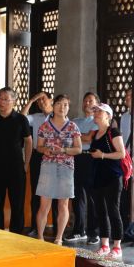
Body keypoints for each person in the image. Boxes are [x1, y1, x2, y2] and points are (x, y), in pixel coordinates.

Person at [0, 87, 32, 234]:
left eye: (5, 99)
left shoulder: (21, 119)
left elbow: (28, 141)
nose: (1, 102)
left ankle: (17, 235)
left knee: (17, 205)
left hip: (16, 168)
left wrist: (26, 163)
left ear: (13, 101)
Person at [34, 94, 82, 245]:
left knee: (63, 204)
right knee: (44, 204)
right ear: (53, 106)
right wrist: (45, 150)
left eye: (66, 105)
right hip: (48, 166)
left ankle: (59, 238)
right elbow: (38, 146)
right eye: (59, 104)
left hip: (66, 167)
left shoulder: (73, 126)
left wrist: (64, 150)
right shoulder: (45, 126)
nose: (62, 107)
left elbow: (79, 149)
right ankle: (40, 237)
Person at [89, 103, 125, 258]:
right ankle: (104, 245)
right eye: (95, 111)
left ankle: (117, 246)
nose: (96, 113)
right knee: (100, 211)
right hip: (98, 177)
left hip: (113, 177)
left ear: (108, 116)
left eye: (100, 111)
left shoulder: (113, 132)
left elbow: (121, 154)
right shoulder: (95, 133)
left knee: (113, 210)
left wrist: (102, 155)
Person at [65, 92, 100, 244]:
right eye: (85, 101)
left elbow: (89, 138)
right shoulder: (75, 121)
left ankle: (94, 232)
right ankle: (79, 230)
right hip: (76, 158)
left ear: (97, 104)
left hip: (91, 158)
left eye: (90, 101)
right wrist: (80, 136)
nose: (87, 103)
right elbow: (68, 137)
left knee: (92, 197)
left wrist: (76, 136)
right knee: (77, 196)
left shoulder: (97, 120)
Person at [22, 91, 57, 236]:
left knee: (55, 193)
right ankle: (35, 227)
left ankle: (57, 228)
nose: (41, 102)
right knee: (36, 191)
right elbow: (22, 117)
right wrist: (31, 100)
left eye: (44, 99)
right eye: (39, 101)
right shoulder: (36, 117)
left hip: (55, 156)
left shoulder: (58, 116)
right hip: (38, 156)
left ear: (51, 100)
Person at [117, 89, 134, 243]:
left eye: (131, 95)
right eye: (127, 96)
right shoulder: (124, 117)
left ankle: (133, 230)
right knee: (124, 195)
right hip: (125, 160)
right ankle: (125, 229)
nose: (128, 98)